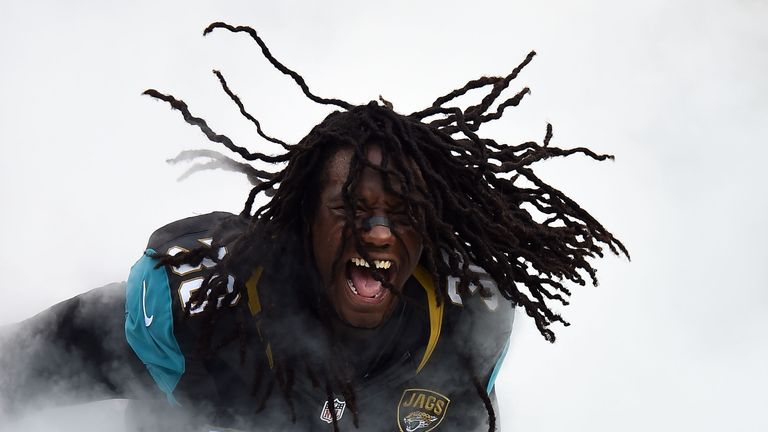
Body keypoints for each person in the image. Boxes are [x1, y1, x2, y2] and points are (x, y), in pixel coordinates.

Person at [0, 22, 627, 432]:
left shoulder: (464, 330)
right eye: (350, 208)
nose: (379, 233)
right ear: (304, 219)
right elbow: (25, 369)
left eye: (403, 212)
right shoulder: (202, 309)